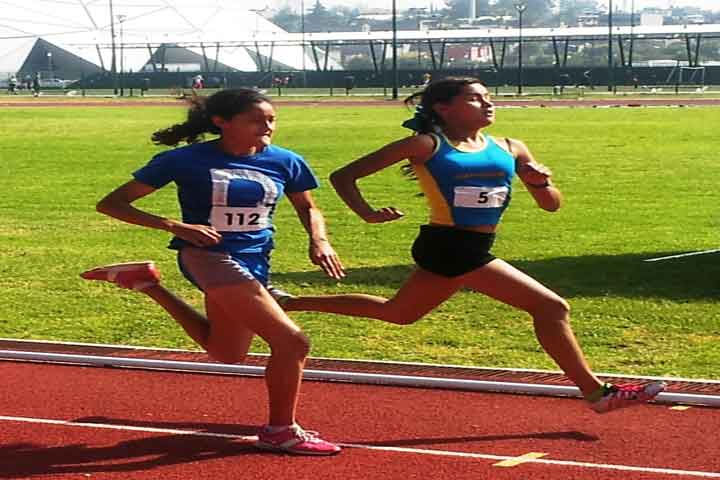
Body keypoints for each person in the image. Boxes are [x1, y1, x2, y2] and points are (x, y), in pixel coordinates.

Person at [281, 77, 666, 414]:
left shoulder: (511, 147)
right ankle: (597, 393)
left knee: (398, 313)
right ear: (443, 108)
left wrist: (539, 182)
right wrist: (367, 213)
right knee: (551, 307)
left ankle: (288, 302)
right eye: (475, 98)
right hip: (449, 245)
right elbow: (344, 175)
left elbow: (551, 205)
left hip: (471, 245)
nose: (487, 103)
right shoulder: (425, 145)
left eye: (488, 97)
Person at [80, 88, 345, 455]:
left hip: (255, 260)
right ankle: (280, 431)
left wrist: (320, 241)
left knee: (227, 352)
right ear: (222, 122)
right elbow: (112, 203)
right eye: (256, 120)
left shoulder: (286, 161)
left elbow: (308, 207)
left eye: (272, 119)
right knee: (292, 342)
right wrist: (175, 225)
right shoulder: (184, 160)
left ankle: (147, 283)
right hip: (207, 257)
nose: (267, 127)